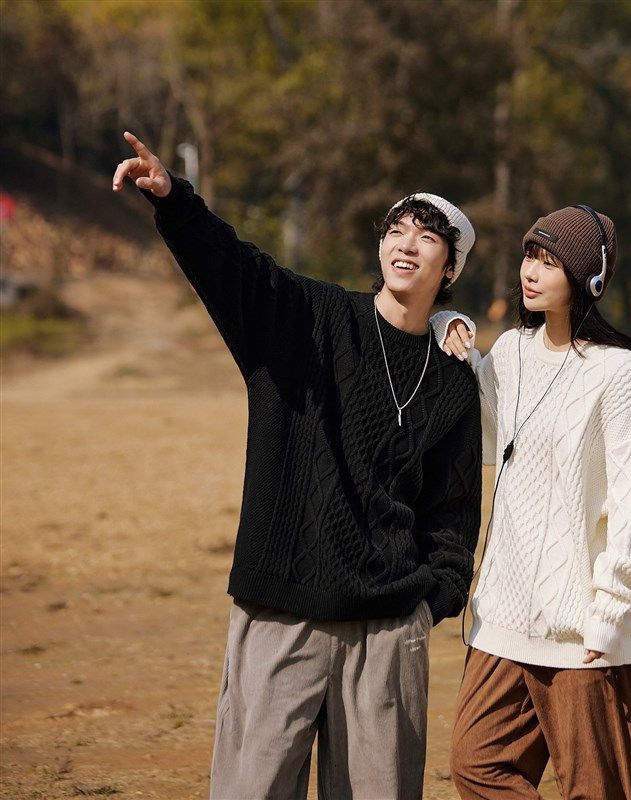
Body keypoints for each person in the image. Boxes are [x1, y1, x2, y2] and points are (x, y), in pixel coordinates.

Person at [112, 131, 482, 800]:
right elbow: (237, 270)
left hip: (386, 633)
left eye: (427, 238)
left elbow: (453, 516)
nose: (406, 244)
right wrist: (174, 200)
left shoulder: (454, 381)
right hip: (282, 615)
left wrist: (426, 608)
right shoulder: (310, 319)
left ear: (450, 268)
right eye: (396, 230)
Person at [431, 205, 631, 800]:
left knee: (598, 788)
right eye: (529, 256)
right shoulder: (512, 350)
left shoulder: (617, 371)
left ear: (588, 279)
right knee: (476, 766)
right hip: (503, 617)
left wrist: (611, 610)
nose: (530, 272)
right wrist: (448, 325)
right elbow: (484, 432)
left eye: (550, 262)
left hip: (580, 625)